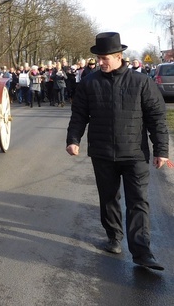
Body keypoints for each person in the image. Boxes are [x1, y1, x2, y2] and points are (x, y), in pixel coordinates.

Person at [66, 32, 170, 271]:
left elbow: (157, 119)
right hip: (102, 153)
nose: (100, 62)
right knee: (109, 197)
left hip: (135, 154)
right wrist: (73, 139)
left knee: (138, 201)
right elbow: (79, 115)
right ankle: (114, 237)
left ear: (119, 56)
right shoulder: (89, 83)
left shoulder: (141, 82)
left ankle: (142, 252)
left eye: (105, 58)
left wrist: (161, 150)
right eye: (98, 58)